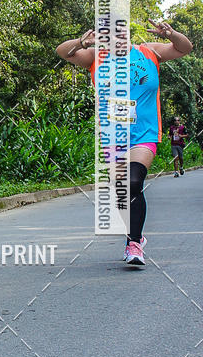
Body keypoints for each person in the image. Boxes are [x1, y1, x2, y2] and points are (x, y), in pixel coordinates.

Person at [56, 19, 193, 267]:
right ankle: (136, 235)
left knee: (133, 181)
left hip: (145, 134)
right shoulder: (96, 56)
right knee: (122, 191)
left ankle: (134, 243)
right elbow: (62, 52)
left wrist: (172, 34)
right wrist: (80, 42)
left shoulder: (148, 51)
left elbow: (185, 48)